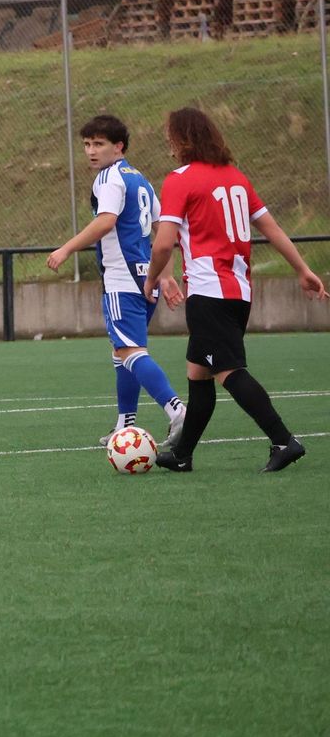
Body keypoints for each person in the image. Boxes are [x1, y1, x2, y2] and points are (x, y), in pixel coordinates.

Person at [142, 107, 327, 472]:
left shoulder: (180, 179)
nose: (168, 144)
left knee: (229, 371)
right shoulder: (236, 178)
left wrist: (151, 281)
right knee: (198, 373)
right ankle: (182, 456)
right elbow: (271, 228)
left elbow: (163, 244)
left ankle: (283, 440)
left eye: (170, 137)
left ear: (183, 139)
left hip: (209, 293)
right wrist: (303, 269)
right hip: (238, 291)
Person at [46, 114, 187, 448]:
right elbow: (161, 228)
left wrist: (66, 248)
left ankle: (178, 411)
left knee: (130, 350)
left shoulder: (109, 178)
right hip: (144, 279)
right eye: (86, 144)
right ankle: (125, 424)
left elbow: (107, 221)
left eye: (99, 144)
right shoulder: (139, 178)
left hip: (122, 280)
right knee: (123, 351)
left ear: (118, 146)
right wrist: (165, 277)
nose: (91, 151)